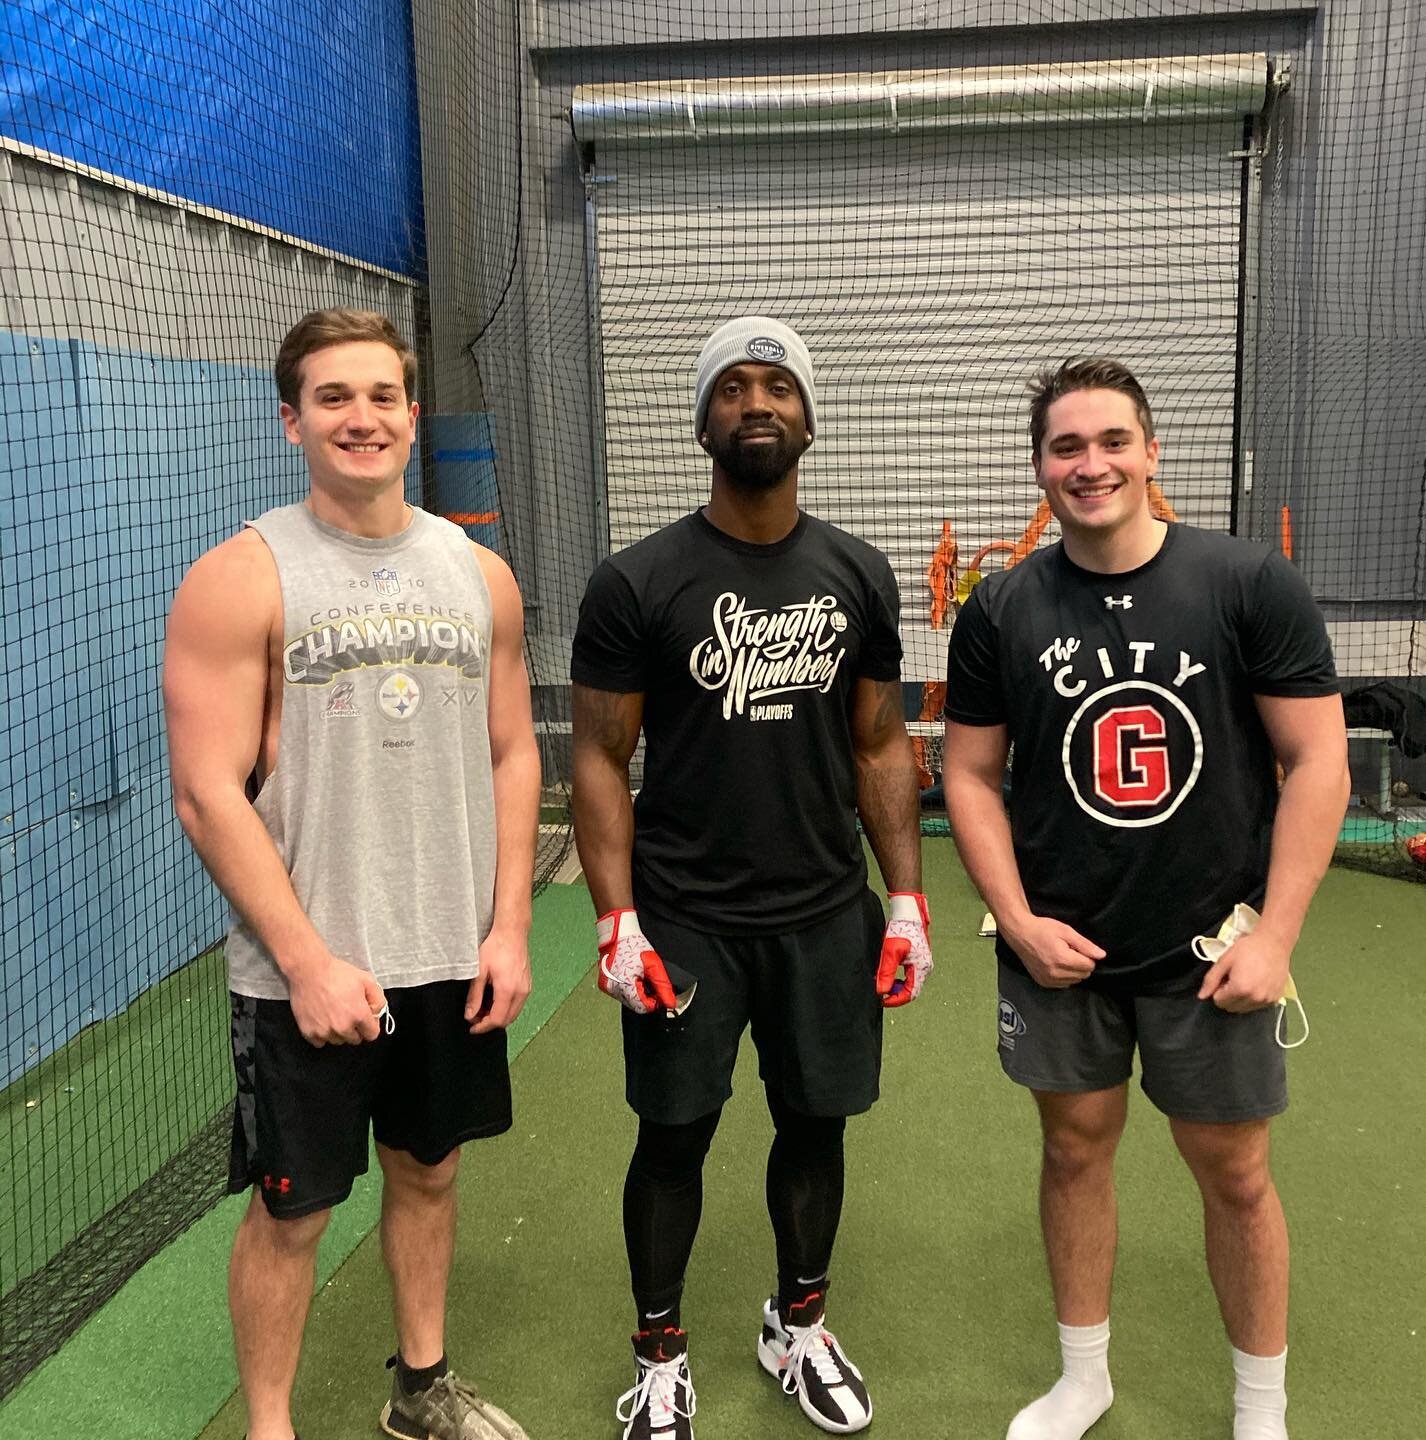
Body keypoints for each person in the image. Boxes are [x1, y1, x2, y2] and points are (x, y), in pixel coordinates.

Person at [943, 357, 1349, 1440]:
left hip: (1213, 950)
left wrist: (1276, 934)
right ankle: (1086, 1378)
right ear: (1040, 466)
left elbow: (1318, 765)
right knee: (1074, 1148)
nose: (1091, 465)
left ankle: (1260, 1411)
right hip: (1061, 947)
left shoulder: (1246, 583)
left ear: (1152, 450)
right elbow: (970, 776)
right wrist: (1020, 921)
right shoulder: (1002, 605)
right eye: (1067, 447)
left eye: (1112, 441)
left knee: (1236, 1173)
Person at [164, 308, 539, 1440]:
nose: (361, 418)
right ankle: (268, 1428)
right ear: (291, 421)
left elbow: (516, 750)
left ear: (413, 417)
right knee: (295, 1211)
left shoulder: (480, 576)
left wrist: (511, 925)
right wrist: (308, 959)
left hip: (451, 953)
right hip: (307, 976)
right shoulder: (240, 578)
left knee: (428, 1174)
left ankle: (420, 1391)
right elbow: (206, 792)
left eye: (382, 396)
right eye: (333, 398)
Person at [570, 316, 932, 1439]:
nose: (758, 402)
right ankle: (661, 1352)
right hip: (687, 919)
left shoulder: (858, 573)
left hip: (825, 911)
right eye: (733, 387)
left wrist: (909, 897)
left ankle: (799, 1325)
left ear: (809, 418)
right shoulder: (638, 580)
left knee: (815, 1124)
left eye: (779, 386)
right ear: (702, 421)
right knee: (674, 1136)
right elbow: (597, 757)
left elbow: (881, 745)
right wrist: (617, 918)